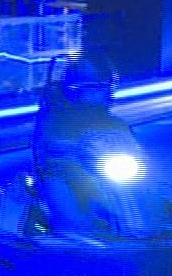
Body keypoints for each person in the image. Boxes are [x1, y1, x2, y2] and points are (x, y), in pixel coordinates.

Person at [31, 54, 146, 239]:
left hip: (108, 176)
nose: (98, 93)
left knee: (150, 191)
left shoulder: (116, 123)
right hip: (68, 178)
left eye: (102, 87)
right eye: (91, 87)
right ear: (73, 89)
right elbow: (51, 153)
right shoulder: (58, 122)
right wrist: (73, 155)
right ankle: (71, 231)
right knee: (67, 197)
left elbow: (132, 148)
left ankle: (155, 226)